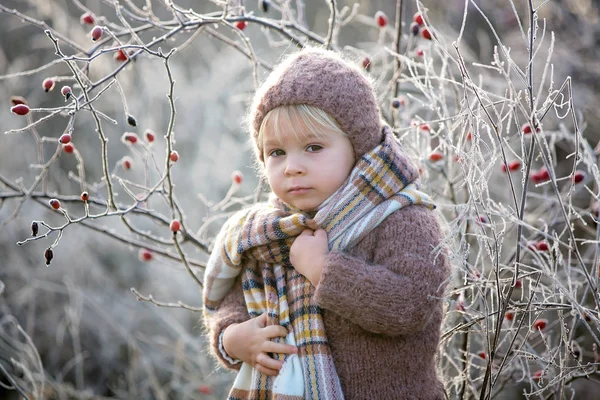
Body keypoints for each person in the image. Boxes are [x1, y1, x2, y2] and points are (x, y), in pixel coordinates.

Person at [202, 46, 451, 399]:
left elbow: (412, 304)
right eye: (276, 152)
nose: (292, 166)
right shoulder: (268, 233)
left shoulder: (401, 217)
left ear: (357, 147)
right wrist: (232, 337)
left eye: (314, 147)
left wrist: (323, 270)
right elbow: (232, 301)